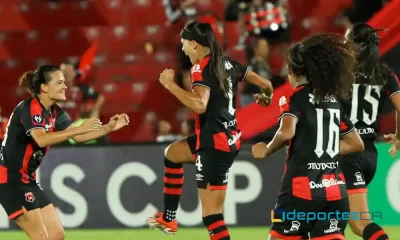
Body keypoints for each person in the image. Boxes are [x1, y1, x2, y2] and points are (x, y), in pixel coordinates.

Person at [146, 21, 273, 239]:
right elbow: (266, 83)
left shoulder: (199, 69)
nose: (183, 49)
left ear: (194, 44)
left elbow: (199, 104)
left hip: (215, 144)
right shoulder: (228, 64)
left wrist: (170, 85)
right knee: (173, 154)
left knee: (211, 215)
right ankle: (168, 218)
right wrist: (267, 96)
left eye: (184, 43)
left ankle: (171, 220)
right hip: (225, 138)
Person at [252, 33, 365, 240]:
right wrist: (319, 147)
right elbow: (356, 143)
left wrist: (267, 149)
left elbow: (287, 131)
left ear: (292, 71)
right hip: (335, 192)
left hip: (299, 191)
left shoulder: (292, 98)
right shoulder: (332, 100)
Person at [0, 65, 129, 240]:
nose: (65, 86)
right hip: (10, 179)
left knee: (56, 234)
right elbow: (41, 139)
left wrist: (109, 128)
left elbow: (78, 137)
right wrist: (77, 129)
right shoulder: (29, 107)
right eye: (59, 82)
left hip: (27, 179)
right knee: (40, 236)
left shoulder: (54, 112)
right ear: (44, 87)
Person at [339, 23, 400, 240]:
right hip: (369, 155)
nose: (344, 45)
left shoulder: (342, 74)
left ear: (360, 46)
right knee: (338, 216)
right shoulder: (385, 75)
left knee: (358, 222)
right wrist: (399, 136)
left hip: (346, 152)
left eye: (348, 41)